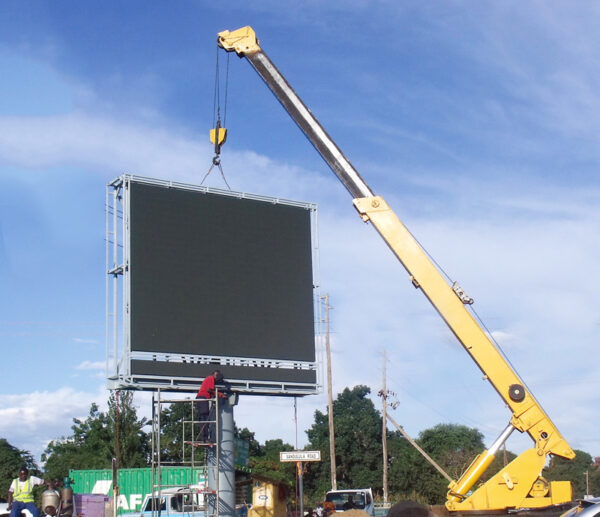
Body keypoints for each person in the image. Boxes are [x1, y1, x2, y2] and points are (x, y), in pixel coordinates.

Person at [195, 369, 226, 442]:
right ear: (215, 375)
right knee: (204, 417)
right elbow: (209, 390)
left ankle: (204, 437)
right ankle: (204, 438)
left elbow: (210, 391)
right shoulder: (210, 378)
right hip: (203, 398)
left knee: (203, 418)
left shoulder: (208, 379)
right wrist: (220, 394)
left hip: (201, 399)